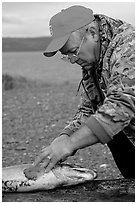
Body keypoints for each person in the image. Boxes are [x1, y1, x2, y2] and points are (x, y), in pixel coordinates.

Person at [34, 5, 135, 178]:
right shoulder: (93, 57)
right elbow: (89, 109)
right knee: (103, 120)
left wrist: (70, 144)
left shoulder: (129, 45)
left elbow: (122, 106)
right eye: (67, 56)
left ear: (92, 34)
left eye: (73, 52)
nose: (73, 60)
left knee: (112, 120)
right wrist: (64, 137)